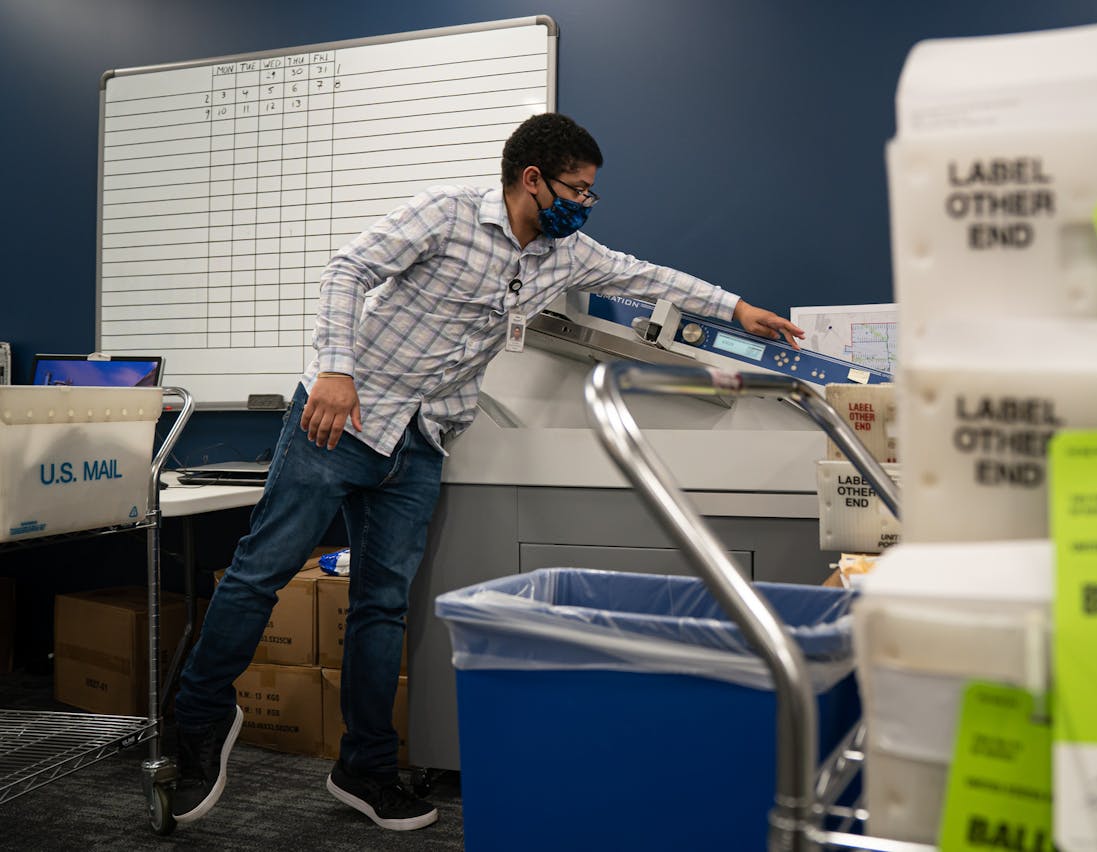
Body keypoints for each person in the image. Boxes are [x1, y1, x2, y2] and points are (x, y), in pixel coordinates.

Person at [169, 112, 805, 831]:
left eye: (591, 194)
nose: (584, 204)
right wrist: (336, 371)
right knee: (263, 570)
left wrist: (739, 309)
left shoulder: (565, 254)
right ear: (532, 179)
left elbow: (647, 274)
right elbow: (349, 267)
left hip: (424, 439)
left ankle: (365, 767)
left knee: (382, 606)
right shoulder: (447, 213)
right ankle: (194, 721)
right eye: (577, 189)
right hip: (341, 416)